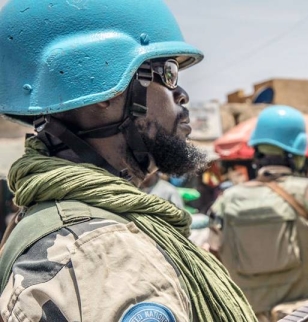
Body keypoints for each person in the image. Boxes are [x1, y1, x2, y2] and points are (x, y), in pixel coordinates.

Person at [0, 1, 256, 321]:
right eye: (169, 73)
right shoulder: (105, 251)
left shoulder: (44, 222)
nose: (183, 96)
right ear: (104, 88)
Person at [209, 106, 308, 321]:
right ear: (299, 153)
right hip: (306, 314)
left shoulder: (224, 203)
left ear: (256, 153)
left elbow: (213, 265)